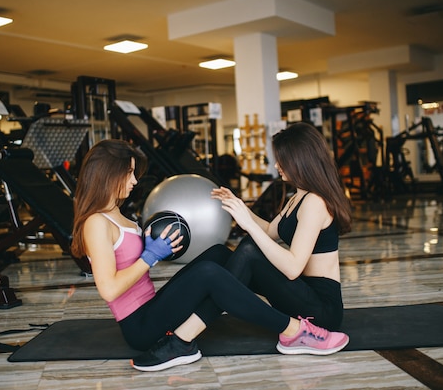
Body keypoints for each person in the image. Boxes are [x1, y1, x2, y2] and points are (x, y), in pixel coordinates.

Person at [71, 138, 349, 372]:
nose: (134, 180)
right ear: (108, 174)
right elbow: (108, 290)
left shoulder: (117, 216)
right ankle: (293, 331)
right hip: (140, 326)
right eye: (128, 173)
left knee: (217, 255)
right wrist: (150, 256)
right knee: (210, 274)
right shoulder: (96, 222)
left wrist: (156, 250)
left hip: (152, 307)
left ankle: (182, 341)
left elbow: (131, 261)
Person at [211, 121, 352, 332]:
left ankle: (192, 325)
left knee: (250, 249)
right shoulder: (298, 196)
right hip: (300, 292)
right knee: (218, 255)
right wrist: (238, 205)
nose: (277, 166)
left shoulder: (315, 202)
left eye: (282, 160)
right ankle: (195, 312)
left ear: (299, 161)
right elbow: (270, 231)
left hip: (321, 309)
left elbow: (293, 268)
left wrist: (248, 224)